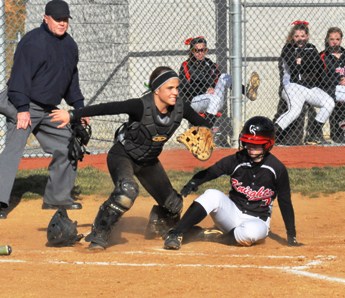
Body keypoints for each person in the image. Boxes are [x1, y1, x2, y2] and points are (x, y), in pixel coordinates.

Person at [50, 66, 213, 250]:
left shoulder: (180, 108)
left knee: (174, 205)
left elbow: (204, 124)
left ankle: (157, 225)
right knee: (127, 191)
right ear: (157, 89)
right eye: (170, 88)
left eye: (177, 88)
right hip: (123, 156)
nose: (175, 92)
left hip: (148, 162)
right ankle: (99, 233)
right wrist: (72, 114)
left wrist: (207, 132)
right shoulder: (140, 106)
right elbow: (107, 108)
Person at [0, 0, 87, 219]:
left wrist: (79, 109)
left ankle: (57, 197)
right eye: (58, 19)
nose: (62, 23)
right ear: (45, 18)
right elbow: (19, 77)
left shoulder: (70, 46)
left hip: (48, 108)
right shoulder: (33, 42)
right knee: (14, 149)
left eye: (65, 20)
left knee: (68, 143)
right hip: (21, 101)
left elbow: (71, 83)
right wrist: (21, 109)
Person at [163, 116, 301, 250]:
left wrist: (291, 235)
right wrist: (193, 182)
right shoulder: (237, 159)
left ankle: (215, 237)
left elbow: (285, 202)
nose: (251, 146)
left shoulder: (277, 169)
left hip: (257, 220)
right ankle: (176, 233)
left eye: (256, 143)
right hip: (231, 213)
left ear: (268, 144)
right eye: (248, 142)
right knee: (212, 194)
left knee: (250, 233)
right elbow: (213, 171)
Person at [274, 21, 335, 145]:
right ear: (292, 37)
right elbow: (293, 68)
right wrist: (306, 63)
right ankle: (271, 135)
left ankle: (313, 135)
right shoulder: (288, 48)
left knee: (329, 103)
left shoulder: (311, 47)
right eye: (296, 36)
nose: (300, 39)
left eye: (302, 36)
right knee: (295, 110)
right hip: (292, 86)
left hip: (309, 87)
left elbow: (318, 66)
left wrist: (302, 62)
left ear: (307, 36)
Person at [179, 36, 260, 125]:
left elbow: (217, 80)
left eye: (203, 50)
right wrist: (205, 89)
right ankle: (207, 127)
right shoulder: (186, 65)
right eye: (196, 50)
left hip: (213, 98)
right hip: (195, 101)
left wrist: (212, 88)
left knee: (224, 77)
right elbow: (185, 88)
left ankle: (247, 92)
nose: (200, 53)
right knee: (212, 98)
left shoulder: (209, 63)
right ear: (191, 51)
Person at [320, 27, 345, 143]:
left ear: (341, 40)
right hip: (330, 87)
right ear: (327, 40)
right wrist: (338, 80)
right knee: (338, 102)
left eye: (337, 39)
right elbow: (321, 77)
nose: (334, 42)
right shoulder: (322, 56)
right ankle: (338, 134)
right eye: (331, 39)